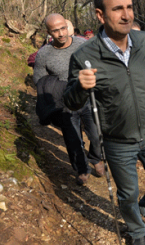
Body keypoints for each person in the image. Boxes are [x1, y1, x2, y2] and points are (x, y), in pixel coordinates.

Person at [63, 0, 145, 245]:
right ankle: (136, 231)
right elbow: (69, 101)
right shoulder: (85, 56)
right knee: (127, 193)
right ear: (101, 15)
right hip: (116, 139)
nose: (127, 15)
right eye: (118, 9)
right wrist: (80, 85)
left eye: (129, 7)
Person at [33, 13, 104, 186]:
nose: (61, 34)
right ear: (49, 32)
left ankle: (96, 158)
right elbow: (40, 81)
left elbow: (99, 66)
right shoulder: (43, 55)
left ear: (67, 26)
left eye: (63, 28)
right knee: (73, 139)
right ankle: (81, 169)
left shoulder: (83, 45)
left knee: (95, 134)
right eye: (55, 31)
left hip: (87, 98)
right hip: (64, 103)